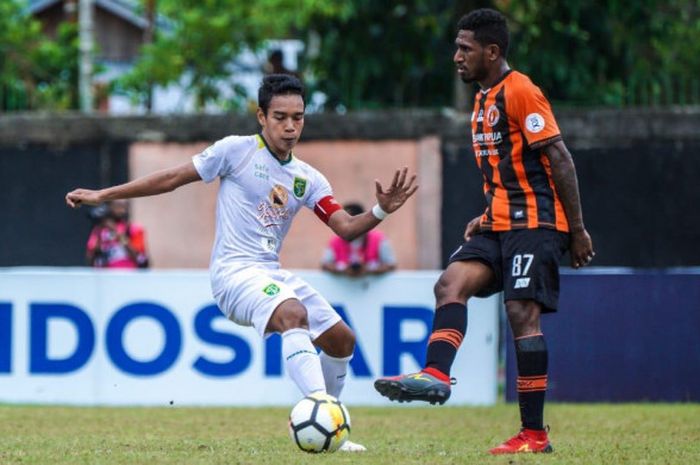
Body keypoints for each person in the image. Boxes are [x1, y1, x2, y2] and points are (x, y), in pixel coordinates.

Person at [66, 74, 417, 452]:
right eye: (280, 116)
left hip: (270, 272)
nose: (289, 126)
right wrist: (104, 193)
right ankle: (324, 411)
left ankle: (329, 428)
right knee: (293, 314)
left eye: (297, 117)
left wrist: (381, 210)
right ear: (261, 117)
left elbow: (346, 228)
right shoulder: (235, 151)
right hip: (233, 274)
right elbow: (171, 178)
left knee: (341, 340)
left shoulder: (307, 179)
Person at [374, 8, 594, 455]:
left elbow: (559, 159)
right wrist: (487, 210)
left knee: (520, 314)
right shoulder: (481, 99)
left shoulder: (521, 91)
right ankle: (435, 374)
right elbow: (506, 170)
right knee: (450, 283)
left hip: (534, 222)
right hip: (498, 222)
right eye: (456, 47)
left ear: (492, 52)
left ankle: (533, 434)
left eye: (465, 48)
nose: (456, 56)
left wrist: (577, 229)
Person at [321, 202, 397, 277]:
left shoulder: (379, 239)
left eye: (350, 222)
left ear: (362, 220)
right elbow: (325, 265)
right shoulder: (336, 241)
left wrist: (368, 270)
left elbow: (391, 265)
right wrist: (343, 270)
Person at [86, 199, 149, 269]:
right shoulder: (99, 230)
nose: (122, 210)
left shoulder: (134, 229)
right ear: (109, 207)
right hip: (104, 276)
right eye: (118, 205)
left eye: (124, 206)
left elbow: (140, 259)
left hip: (128, 276)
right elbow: (91, 257)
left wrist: (117, 232)